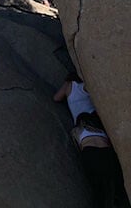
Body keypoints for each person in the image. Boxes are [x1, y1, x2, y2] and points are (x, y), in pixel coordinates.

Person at [53, 73, 129, 207]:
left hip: (88, 146)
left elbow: (56, 98)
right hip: (101, 138)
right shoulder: (87, 87)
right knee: (117, 188)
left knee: (100, 192)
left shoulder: (69, 85)